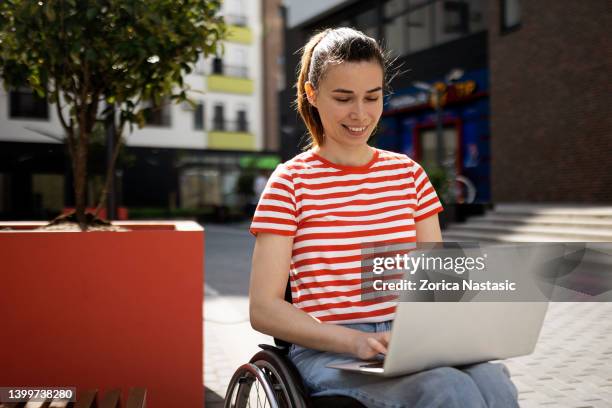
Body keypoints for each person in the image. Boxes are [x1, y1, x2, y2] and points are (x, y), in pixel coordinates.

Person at [249, 27, 518, 408]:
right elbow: (264, 308)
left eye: (372, 97)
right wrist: (355, 341)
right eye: (343, 98)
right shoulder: (290, 182)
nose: (360, 114)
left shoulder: (407, 174)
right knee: (444, 388)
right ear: (312, 94)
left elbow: (436, 281)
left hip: (410, 340)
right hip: (330, 350)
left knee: (494, 381)